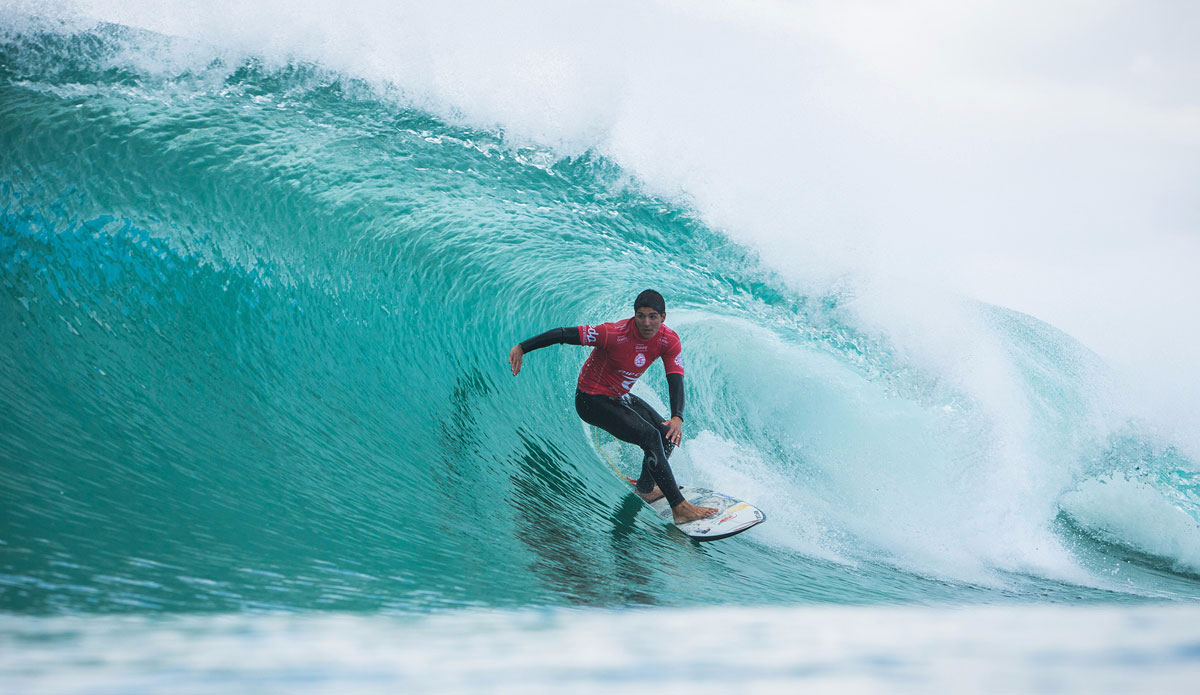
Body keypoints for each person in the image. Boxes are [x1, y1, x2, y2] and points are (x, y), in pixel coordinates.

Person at [508, 289, 718, 524]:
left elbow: (675, 377)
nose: (646, 323)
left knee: (666, 435)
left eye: (652, 317)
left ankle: (646, 490)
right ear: (634, 315)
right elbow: (564, 334)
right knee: (650, 438)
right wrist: (522, 347)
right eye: (640, 316)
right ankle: (680, 508)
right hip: (591, 400)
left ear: (663, 317)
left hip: (618, 396)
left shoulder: (669, 340)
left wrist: (677, 416)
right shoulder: (612, 333)